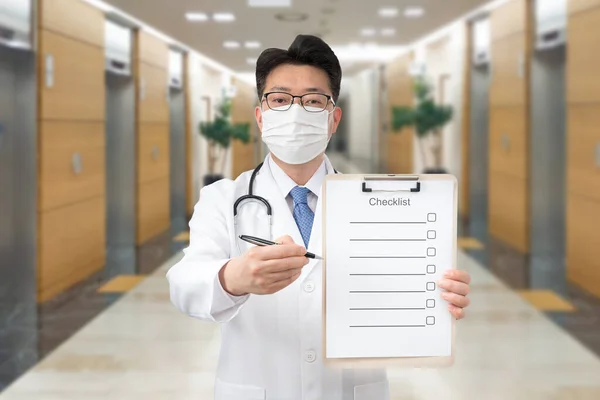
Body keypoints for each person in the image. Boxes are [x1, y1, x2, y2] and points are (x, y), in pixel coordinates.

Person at [167, 34, 471, 400]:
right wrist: (234, 277)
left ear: (333, 119)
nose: (296, 112)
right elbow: (183, 284)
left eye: (313, 101)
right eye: (279, 100)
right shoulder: (223, 199)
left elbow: (401, 293)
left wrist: (435, 298)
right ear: (261, 117)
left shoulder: (385, 208)